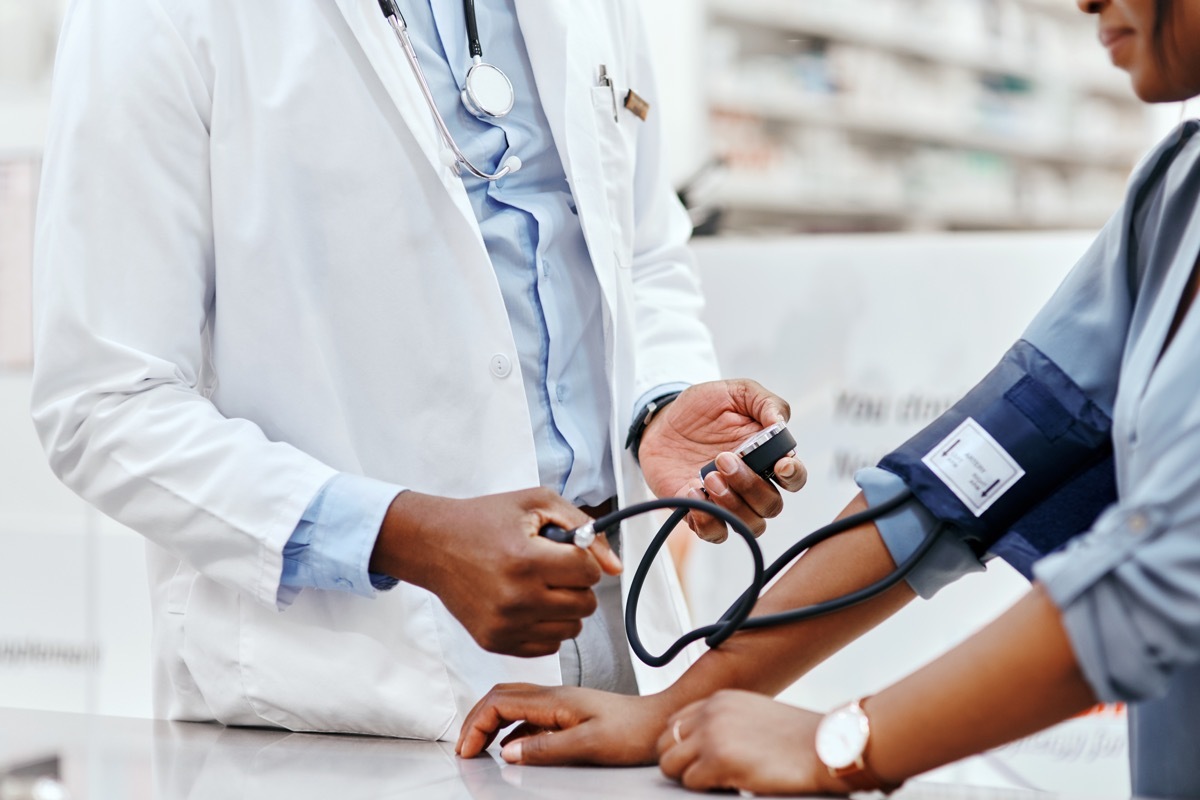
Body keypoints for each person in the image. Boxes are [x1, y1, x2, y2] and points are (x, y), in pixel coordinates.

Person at [456, 0, 1200, 796]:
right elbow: (959, 477)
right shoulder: (1174, 197)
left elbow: (1168, 573)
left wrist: (847, 743)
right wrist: (676, 705)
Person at [29, 0, 806, 738]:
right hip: (344, 688)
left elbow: (642, 250)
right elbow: (103, 401)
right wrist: (406, 537)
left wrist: (657, 404)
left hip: (610, 630)